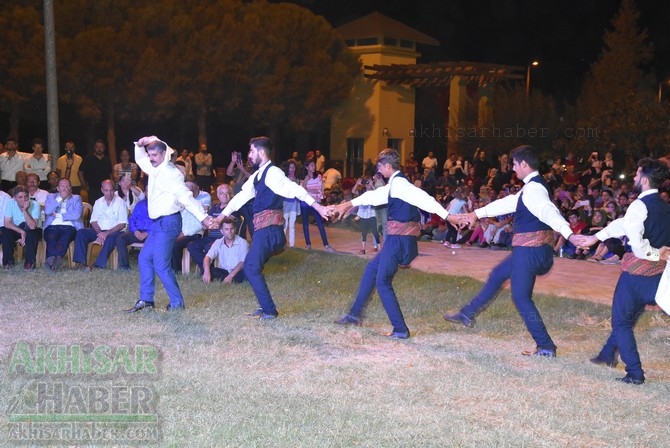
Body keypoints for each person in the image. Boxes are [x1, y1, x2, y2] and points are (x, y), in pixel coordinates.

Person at [443, 145, 588, 356]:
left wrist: (569, 234)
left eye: (514, 164)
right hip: (529, 251)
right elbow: (509, 203)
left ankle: (546, 346)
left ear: (523, 164)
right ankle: (468, 313)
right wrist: (477, 213)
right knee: (497, 275)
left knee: (520, 298)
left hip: (531, 252)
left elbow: (549, 212)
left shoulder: (535, 189)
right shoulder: (531, 188)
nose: (512, 168)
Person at [331, 148, 461, 339]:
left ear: (387, 166)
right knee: (371, 271)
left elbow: (426, 200)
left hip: (399, 239)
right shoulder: (395, 185)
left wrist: (449, 217)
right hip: (396, 238)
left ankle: (400, 329)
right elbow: (374, 196)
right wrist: (348, 204)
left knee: (382, 281)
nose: (378, 170)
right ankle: (354, 315)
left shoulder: (400, 185)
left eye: (379, 166)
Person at [213, 136, 329, 319]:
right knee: (252, 267)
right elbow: (241, 196)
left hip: (270, 231)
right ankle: (266, 308)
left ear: (261, 152)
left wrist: (318, 206)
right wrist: (221, 216)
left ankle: (269, 311)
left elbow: (295, 190)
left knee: (250, 267)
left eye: (251, 151)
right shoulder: (258, 175)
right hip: (264, 231)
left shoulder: (273, 173)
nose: (249, 155)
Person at [582, 158, 670, 384]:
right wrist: (595, 237)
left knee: (621, 323)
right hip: (658, 275)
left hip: (636, 275)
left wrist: (652, 253)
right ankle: (607, 354)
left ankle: (635, 373)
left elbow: (639, 245)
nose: (634, 177)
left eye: (637, 173)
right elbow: (623, 224)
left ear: (645, 179)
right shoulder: (664, 206)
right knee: (628, 317)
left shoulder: (639, 205)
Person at [125, 136, 212, 313]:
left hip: (169, 222)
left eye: (155, 155)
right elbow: (141, 159)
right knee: (144, 258)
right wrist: (140, 144)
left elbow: (186, 197)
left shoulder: (171, 173)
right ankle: (146, 300)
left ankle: (177, 303)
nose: (151, 158)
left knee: (161, 264)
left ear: (164, 154)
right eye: (150, 155)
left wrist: (203, 217)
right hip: (158, 223)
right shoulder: (155, 168)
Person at [73, 180, 128, 270]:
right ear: (102, 190)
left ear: (114, 190)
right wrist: (100, 234)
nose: (109, 193)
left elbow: (122, 224)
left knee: (111, 238)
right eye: (106, 190)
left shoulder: (120, 202)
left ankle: (97, 265)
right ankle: (81, 263)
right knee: (81, 232)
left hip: (115, 231)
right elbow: (93, 221)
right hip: (99, 231)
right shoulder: (98, 202)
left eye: (111, 190)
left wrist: (106, 234)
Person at [187, 183, 236, 273]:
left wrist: (216, 221)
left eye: (227, 193)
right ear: (218, 195)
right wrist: (207, 224)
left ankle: (207, 272)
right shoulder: (214, 207)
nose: (225, 196)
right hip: (211, 237)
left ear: (231, 194)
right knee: (192, 246)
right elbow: (207, 223)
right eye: (222, 193)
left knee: (208, 247)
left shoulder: (233, 207)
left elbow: (230, 220)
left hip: (224, 238)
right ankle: (207, 270)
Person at [43, 178, 84, 271]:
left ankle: (51, 259)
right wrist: (60, 198)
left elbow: (76, 215)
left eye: (67, 186)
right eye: (62, 186)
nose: (65, 188)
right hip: (52, 225)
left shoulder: (76, 198)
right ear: (57, 188)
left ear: (71, 189)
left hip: (70, 226)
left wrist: (57, 215)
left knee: (64, 239)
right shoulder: (51, 196)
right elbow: (47, 211)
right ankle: (56, 258)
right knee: (51, 238)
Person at [2, 185, 40, 269]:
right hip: (18, 228)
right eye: (20, 197)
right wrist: (22, 232)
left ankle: (29, 263)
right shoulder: (10, 203)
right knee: (5, 231)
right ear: (14, 198)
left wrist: (25, 210)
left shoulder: (35, 204)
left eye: (26, 196)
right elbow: (7, 223)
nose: (24, 199)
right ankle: (8, 262)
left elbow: (33, 226)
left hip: (32, 228)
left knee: (31, 233)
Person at [300, 159, 335, 252]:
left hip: (316, 203)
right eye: (311, 165)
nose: (313, 166)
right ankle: (308, 244)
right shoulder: (304, 178)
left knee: (320, 223)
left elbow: (319, 189)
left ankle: (326, 245)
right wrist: (307, 183)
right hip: (305, 203)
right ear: (307, 167)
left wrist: (308, 189)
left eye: (314, 165)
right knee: (305, 224)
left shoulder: (318, 176)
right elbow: (301, 190)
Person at [202, 217, 248, 284]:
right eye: (226, 229)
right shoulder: (218, 242)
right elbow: (207, 257)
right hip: (224, 271)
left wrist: (230, 276)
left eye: (231, 229)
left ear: (235, 229)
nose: (229, 231)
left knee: (248, 273)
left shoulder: (243, 242)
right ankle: (226, 279)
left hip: (238, 271)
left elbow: (242, 263)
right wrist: (206, 272)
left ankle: (229, 279)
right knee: (209, 270)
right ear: (221, 231)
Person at [115, 198, 151, 270]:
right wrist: (135, 231)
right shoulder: (140, 204)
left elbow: (160, 223)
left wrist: (147, 233)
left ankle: (153, 266)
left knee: (161, 239)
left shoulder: (159, 205)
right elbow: (132, 219)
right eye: (148, 190)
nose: (150, 192)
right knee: (120, 239)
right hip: (137, 231)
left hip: (152, 233)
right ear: (145, 192)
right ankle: (124, 267)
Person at [78, 139, 112, 204]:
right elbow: (80, 172)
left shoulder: (107, 159)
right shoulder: (88, 159)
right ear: (94, 148)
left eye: (101, 147)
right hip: (92, 190)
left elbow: (110, 174)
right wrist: (84, 186)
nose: (99, 149)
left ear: (104, 148)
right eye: (97, 147)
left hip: (105, 190)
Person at [282, 161, 301, 248]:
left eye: (293, 167)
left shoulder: (297, 180)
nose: (292, 169)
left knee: (292, 225)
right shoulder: (284, 179)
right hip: (286, 204)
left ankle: (292, 245)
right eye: (290, 167)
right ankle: (283, 243)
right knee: (284, 225)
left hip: (294, 205)